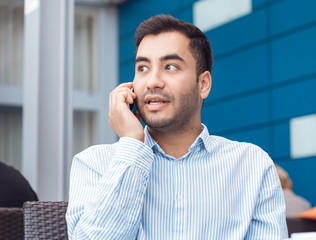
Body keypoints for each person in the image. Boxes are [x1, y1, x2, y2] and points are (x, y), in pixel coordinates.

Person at [66, 14, 287, 239]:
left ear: (203, 84)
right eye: (143, 68)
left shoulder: (253, 166)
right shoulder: (94, 164)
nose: (152, 81)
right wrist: (131, 144)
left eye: (170, 66)